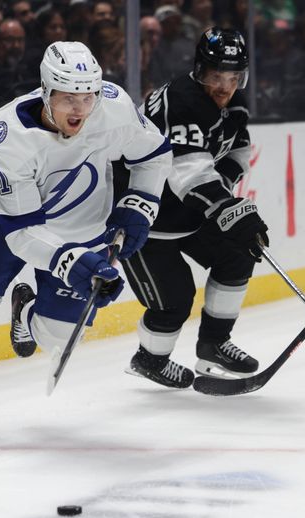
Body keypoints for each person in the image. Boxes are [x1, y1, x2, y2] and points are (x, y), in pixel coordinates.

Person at [0, 41, 172, 436]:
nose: (80, 108)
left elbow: (154, 154)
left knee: (60, 336)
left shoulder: (113, 108)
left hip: (82, 227)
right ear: (45, 92)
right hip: (7, 221)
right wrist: (70, 264)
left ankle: (27, 313)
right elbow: (23, 233)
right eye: (67, 98)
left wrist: (140, 204)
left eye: (87, 96)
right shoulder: (6, 137)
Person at [115, 27, 269, 389]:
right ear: (200, 70)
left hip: (188, 212)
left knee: (238, 251)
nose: (224, 86)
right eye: (216, 76)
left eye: (233, 78)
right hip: (143, 217)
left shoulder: (234, 103)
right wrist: (225, 207)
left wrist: (224, 194)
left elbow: (237, 150)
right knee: (175, 300)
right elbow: (187, 171)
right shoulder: (181, 101)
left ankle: (214, 344)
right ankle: (149, 360)